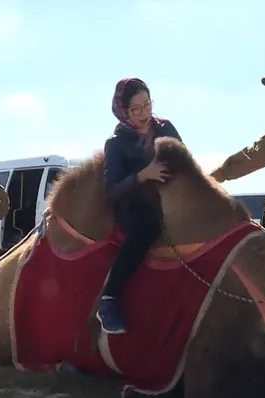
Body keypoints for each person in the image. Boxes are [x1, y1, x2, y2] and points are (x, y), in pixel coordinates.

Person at [98, 77, 183, 334]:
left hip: (171, 197)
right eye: (136, 109)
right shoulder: (116, 143)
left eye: (147, 105)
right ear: (123, 111)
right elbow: (111, 191)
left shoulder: (165, 128)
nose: (145, 113)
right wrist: (142, 175)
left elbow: (184, 157)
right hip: (134, 205)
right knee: (146, 226)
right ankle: (109, 298)